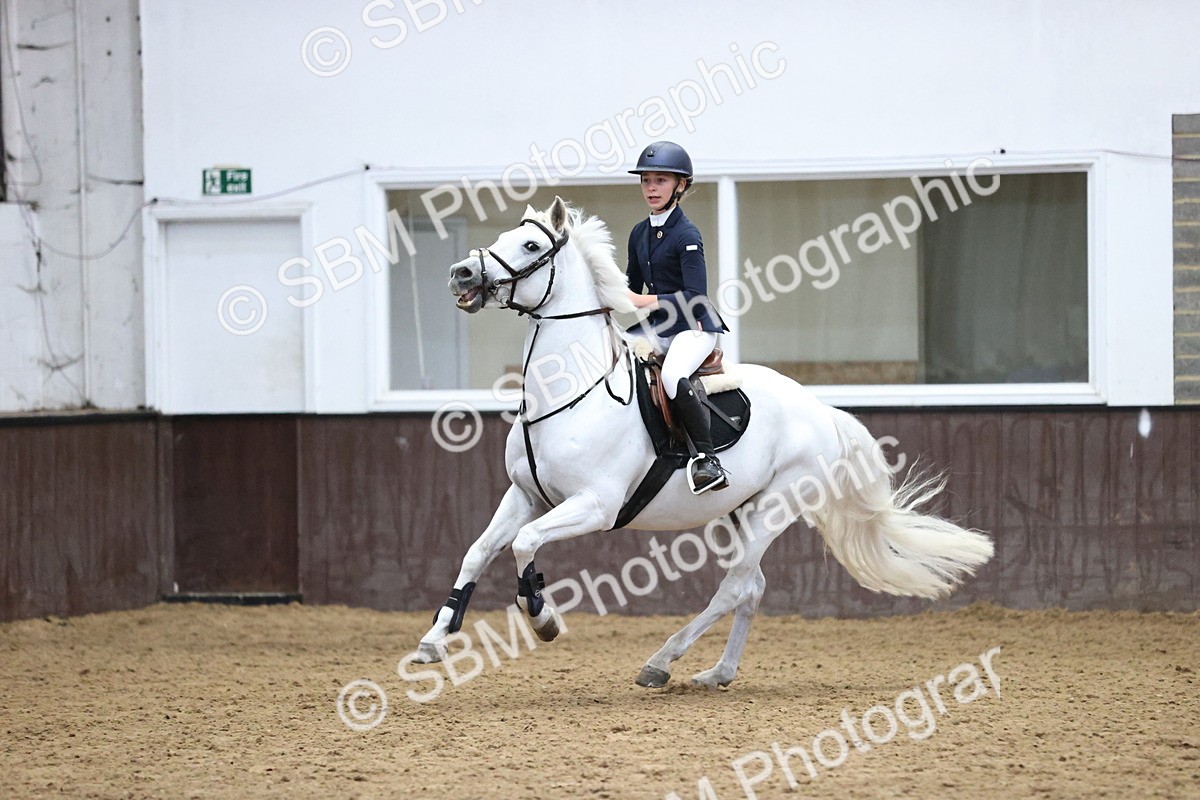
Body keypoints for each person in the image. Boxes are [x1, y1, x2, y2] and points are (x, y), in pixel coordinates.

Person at [625, 141, 730, 494]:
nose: (651, 188)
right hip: (660, 325)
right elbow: (629, 286)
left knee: (672, 375)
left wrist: (643, 300)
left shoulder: (687, 234)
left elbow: (695, 295)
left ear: (680, 185)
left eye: (661, 181)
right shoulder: (639, 233)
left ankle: (708, 459)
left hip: (693, 325)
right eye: (646, 181)